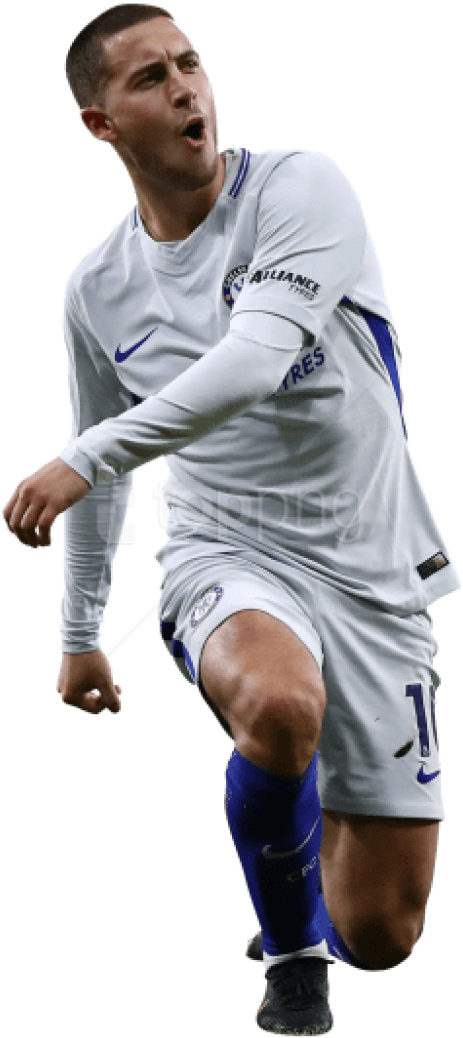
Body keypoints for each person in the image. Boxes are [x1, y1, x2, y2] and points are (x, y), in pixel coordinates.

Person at [2, 5, 461, 1035]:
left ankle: (302, 871)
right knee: (282, 705)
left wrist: (86, 455)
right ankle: (292, 958)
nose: (186, 89)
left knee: (383, 934)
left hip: (371, 568)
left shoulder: (300, 189)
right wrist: (78, 636)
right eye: (150, 78)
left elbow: (252, 363)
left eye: (191, 64)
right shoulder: (97, 289)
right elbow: (107, 480)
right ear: (100, 124)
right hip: (225, 549)